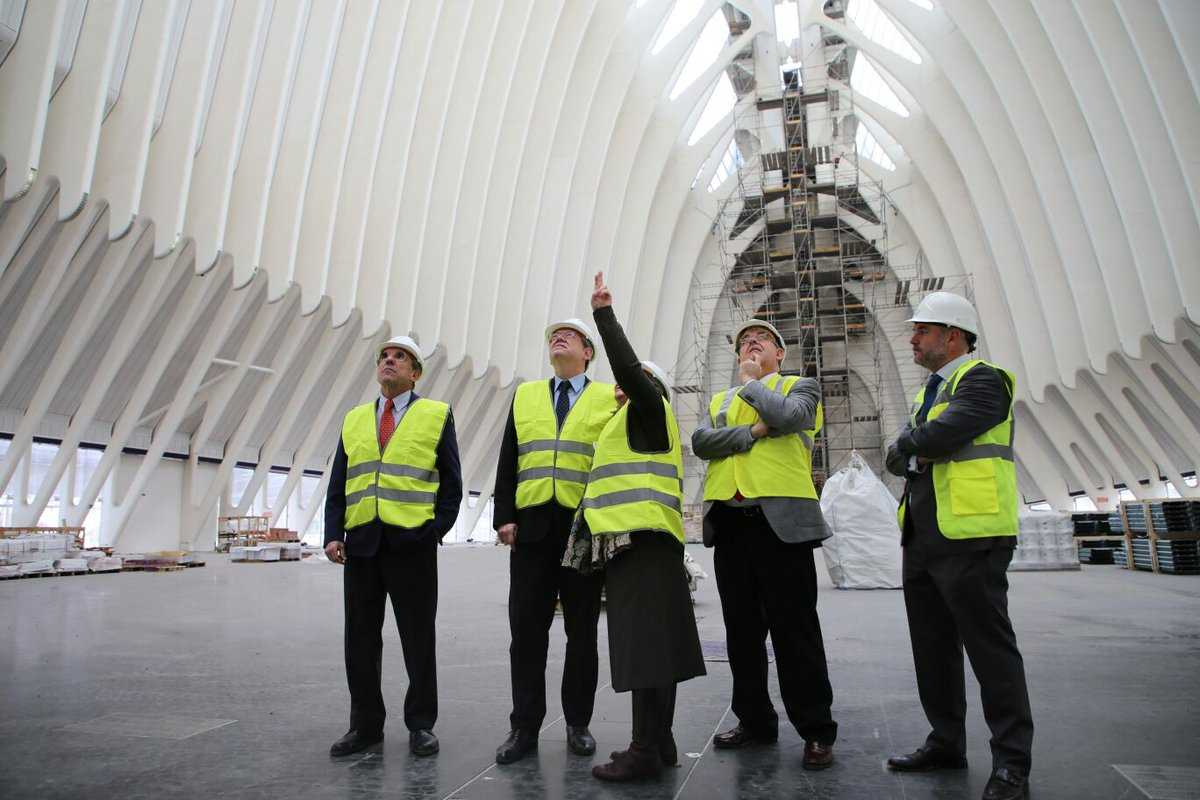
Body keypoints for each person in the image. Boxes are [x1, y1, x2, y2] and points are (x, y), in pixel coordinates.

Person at [884, 292, 1033, 800]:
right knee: (934, 650)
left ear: (953, 335)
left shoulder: (985, 380)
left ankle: (1012, 762)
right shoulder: (932, 389)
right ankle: (946, 741)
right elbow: (901, 450)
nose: (912, 338)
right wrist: (914, 445)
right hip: (924, 537)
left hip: (971, 536)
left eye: (921, 330)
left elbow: (935, 437)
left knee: (990, 651)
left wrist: (913, 445)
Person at [561, 272, 706, 782]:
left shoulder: (650, 411)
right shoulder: (625, 424)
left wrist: (604, 315)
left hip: (642, 544)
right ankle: (660, 743)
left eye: (637, 379)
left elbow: (624, 365)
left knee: (644, 651)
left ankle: (644, 750)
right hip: (638, 546)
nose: (623, 384)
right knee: (653, 649)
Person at [692, 319, 837, 770]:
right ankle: (755, 720)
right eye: (742, 343)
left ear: (780, 353)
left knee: (796, 633)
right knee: (742, 634)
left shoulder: (801, 386)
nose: (749, 345)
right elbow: (702, 442)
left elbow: (791, 418)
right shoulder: (720, 399)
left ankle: (816, 730)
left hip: (781, 527)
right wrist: (753, 433)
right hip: (732, 527)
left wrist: (754, 387)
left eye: (760, 340)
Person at [323, 335, 462, 758]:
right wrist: (333, 533)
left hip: (411, 545)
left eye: (399, 357)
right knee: (360, 640)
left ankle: (421, 724)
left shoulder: (436, 415)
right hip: (362, 545)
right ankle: (364, 726)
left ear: (415, 373)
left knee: (417, 638)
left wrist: (433, 531)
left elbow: (452, 483)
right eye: (384, 356)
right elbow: (338, 483)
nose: (389, 361)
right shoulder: (354, 418)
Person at [491, 315, 618, 764]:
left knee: (581, 632)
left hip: (582, 531)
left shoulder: (609, 397)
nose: (557, 338)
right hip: (531, 532)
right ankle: (523, 726)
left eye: (569, 335)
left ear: (588, 352)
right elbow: (509, 457)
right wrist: (502, 515)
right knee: (526, 633)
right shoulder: (526, 395)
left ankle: (577, 723)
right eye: (552, 336)